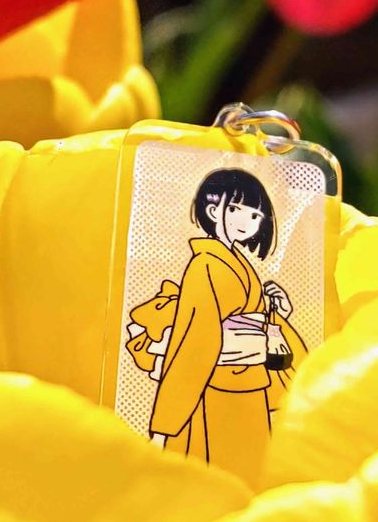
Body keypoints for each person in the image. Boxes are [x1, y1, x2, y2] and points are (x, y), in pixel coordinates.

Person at [128, 168, 306, 486]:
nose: (247, 220)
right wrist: (165, 424)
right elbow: (193, 341)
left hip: (249, 389)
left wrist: (278, 311)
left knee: (251, 482)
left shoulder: (237, 265)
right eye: (236, 209)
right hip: (214, 391)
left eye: (255, 215)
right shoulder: (205, 266)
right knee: (212, 482)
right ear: (213, 211)